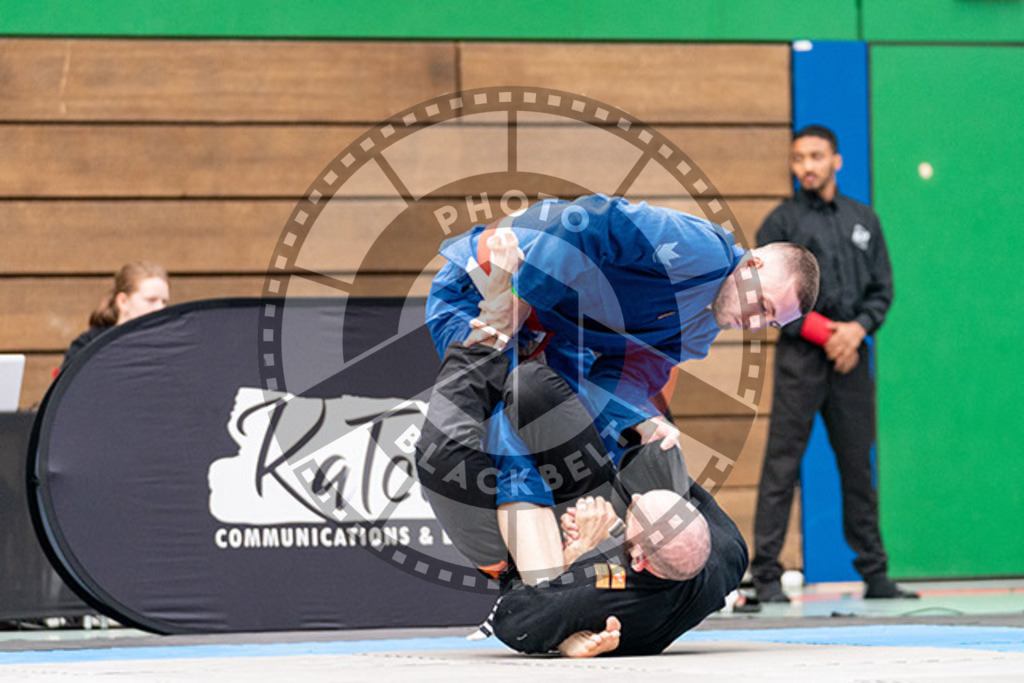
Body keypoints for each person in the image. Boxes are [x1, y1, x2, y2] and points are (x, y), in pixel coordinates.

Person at [423, 194, 819, 574]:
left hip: (552, 333)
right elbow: (590, 219)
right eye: (763, 307)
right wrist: (520, 297)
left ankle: (592, 577)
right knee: (508, 432)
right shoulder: (704, 249)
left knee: (593, 441)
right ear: (754, 266)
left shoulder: (698, 333)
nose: (754, 325)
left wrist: (641, 416)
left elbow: (625, 376)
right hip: (481, 286)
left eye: (770, 323)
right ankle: (528, 590)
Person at [415, 340, 748, 657]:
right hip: (601, 525)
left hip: (524, 561)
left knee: (445, 456)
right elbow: (669, 500)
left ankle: (481, 349)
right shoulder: (728, 552)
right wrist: (644, 426)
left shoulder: (598, 594)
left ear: (636, 561)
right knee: (534, 390)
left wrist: (577, 553)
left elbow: (511, 621)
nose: (630, 503)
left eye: (628, 514)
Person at [752, 125, 916, 602]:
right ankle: (765, 579)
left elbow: (882, 290)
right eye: (799, 157)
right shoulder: (778, 225)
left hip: (852, 360)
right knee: (782, 466)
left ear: (836, 161)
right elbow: (768, 300)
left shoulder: (864, 219)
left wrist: (857, 330)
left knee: (858, 467)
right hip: (802, 359)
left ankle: (876, 575)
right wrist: (827, 334)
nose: (807, 165)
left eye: (817, 156)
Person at [62, 261, 170, 368]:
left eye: (164, 301)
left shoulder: (169, 348)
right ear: (123, 301)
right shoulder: (88, 347)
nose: (160, 308)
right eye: (151, 300)